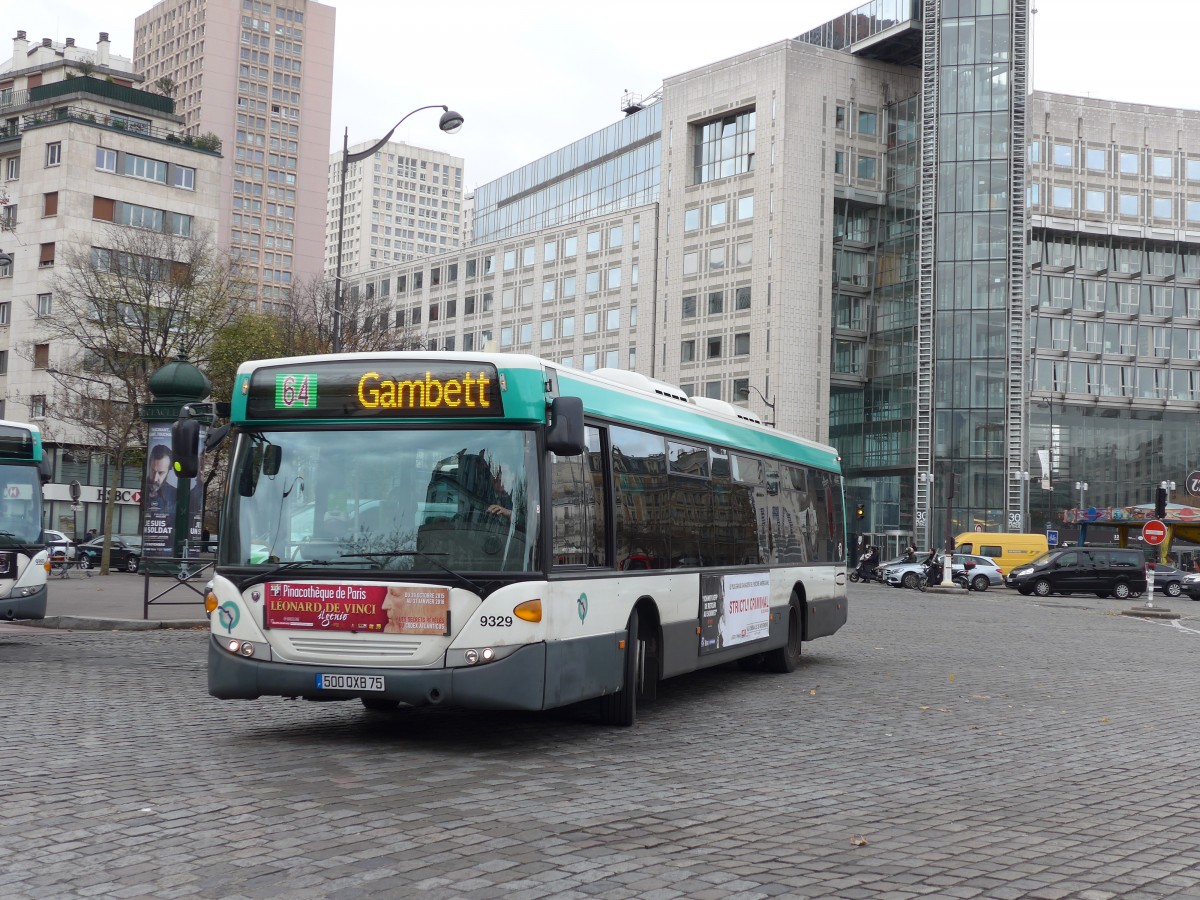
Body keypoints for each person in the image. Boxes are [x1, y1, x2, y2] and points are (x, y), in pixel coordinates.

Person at [146, 444, 176, 515]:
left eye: (161, 473)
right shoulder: (141, 488)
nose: (155, 479)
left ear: (168, 471)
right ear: (149, 466)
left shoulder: (175, 495)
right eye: (153, 471)